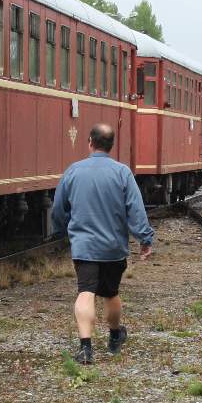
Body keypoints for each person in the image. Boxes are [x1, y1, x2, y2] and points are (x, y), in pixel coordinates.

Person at [51, 124, 155, 365]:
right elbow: (136, 210)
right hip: (113, 248)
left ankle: (85, 348)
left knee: (85, 292)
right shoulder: (122, 173)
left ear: (90, 142)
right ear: (111, 145)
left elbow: (58, 208)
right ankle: (115, 336)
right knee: (110, 293)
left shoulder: (73, 171)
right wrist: (145, 239)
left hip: (85, 247)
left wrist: (61, 230)